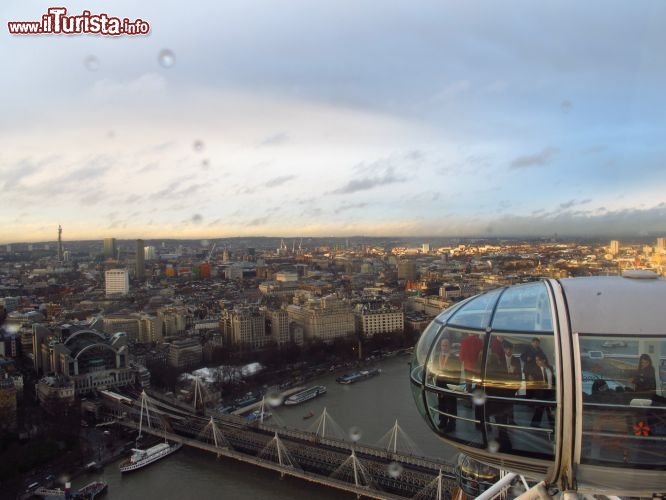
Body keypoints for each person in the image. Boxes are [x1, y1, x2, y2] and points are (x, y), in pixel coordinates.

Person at [435, 337, 461, 432]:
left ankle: (452, 424)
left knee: (451, 405)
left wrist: (455, 386)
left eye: (446, 345)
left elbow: (457, 373)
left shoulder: (454, 358)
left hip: (450, 385)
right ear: (440, 346)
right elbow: (435, 369)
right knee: (441, 404)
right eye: (443, 345)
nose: (444, 347)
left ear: (449, 346)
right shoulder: (437, 356)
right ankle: (443, 421)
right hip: (440, 384)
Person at [526, 353, 555, 428]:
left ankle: (551, 426)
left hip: (550, 392)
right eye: (536, 360)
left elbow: (553, 379)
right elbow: (531, 378)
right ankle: (550, 426)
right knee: (541, 410)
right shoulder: (535, 369)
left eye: (538, 360)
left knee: (548, 410)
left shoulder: (550, 368)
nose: (537, 362)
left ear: (544, 360)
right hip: (541, 393)